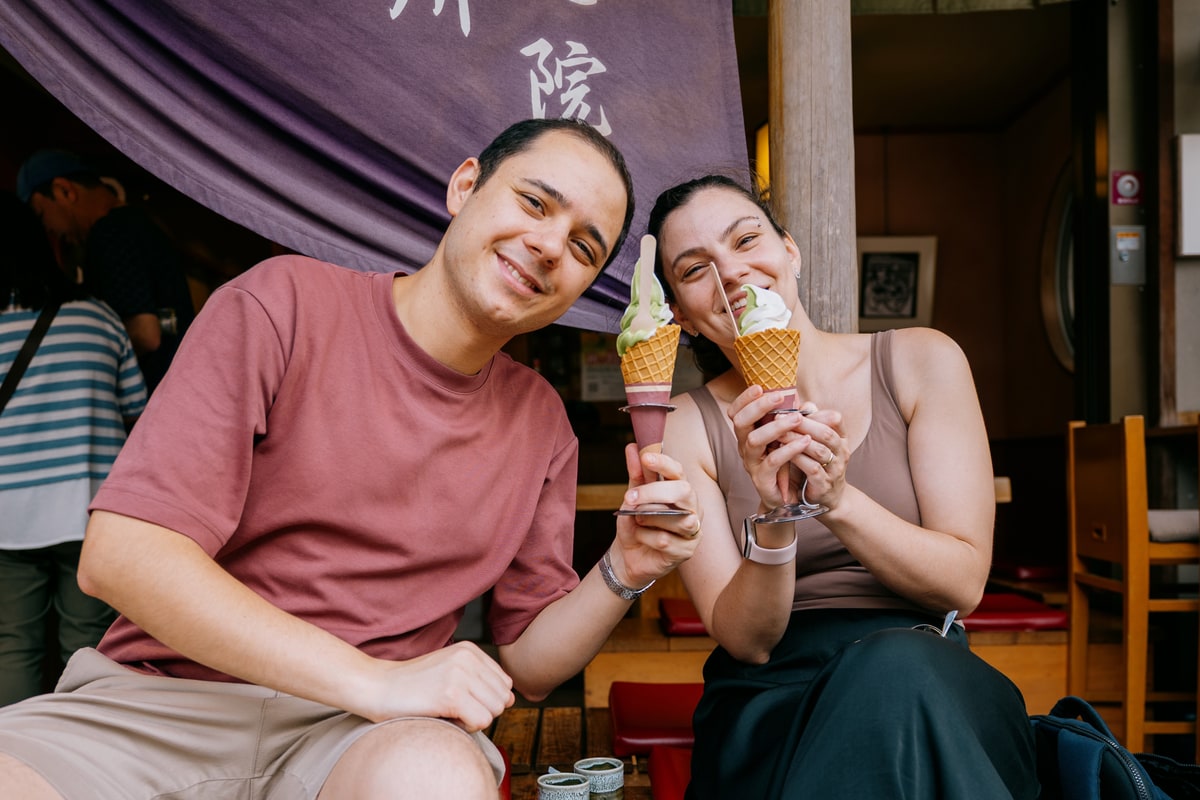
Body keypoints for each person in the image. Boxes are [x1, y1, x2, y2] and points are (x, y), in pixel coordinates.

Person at [0, 118, 702, 799]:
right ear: (465, 187)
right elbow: (122, 554)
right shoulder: (284, 302)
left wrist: (626, 569)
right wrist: (374, 678)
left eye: (585, 247)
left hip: (362, 738)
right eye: (534, 201)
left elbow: (529, 661)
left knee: (436, 779)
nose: (551, 244)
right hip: (159, 705)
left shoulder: (542, 423)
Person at [648, 174, 1038, 799]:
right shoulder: (686, 427)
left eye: (747, 240)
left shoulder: (920, 360)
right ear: (681, 315)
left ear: (790, 251)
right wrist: (777, 515)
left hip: (929, 672)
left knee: (893, 669)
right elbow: (746, 641)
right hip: (774, 696)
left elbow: (962, 585)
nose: (732, 274)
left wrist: (835, 500)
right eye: (696, 270)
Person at [0, 193, 147, 706]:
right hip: (91, 515)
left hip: (8, 519)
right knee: (84, 648)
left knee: (12, 646)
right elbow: (139, 414)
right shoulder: (99, 319)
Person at [16, 149, 195, 392]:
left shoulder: (111, 232)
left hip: (156, 400)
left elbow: (145, 333)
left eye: (41, 214)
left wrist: (72, 366)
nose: (47, 228)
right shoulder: (137, 224)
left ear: (64, 191)